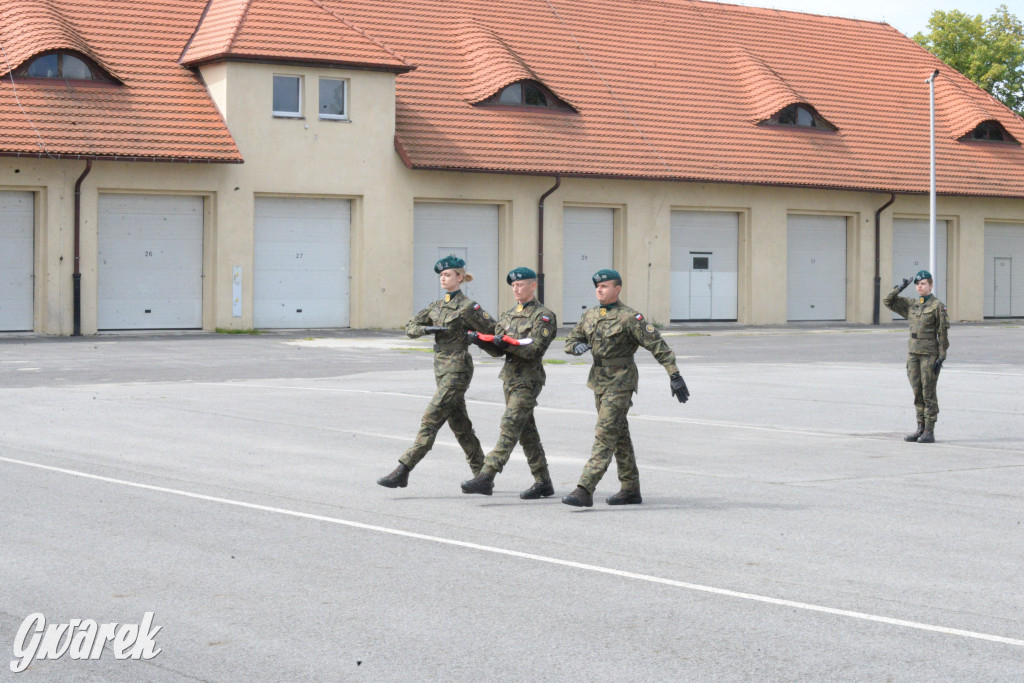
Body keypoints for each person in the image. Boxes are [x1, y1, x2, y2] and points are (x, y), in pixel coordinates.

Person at [561, 269, 689, 507]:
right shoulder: (590, 315)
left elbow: (658, 346)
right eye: (597, 287)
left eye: (605, 286)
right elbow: (571, 340)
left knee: (605, 435)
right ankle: (630, 489)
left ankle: (584, 488)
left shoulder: (630, 318)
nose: (600, 290)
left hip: (620, 382)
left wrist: (675, 376)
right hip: (598, 381)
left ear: (617, 289)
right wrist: (575, 347)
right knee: (619, 435)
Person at [377, 255, 496, 488]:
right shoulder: (437, 305)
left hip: (458, 368)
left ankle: (403, 469)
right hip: (441, 368)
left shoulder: (469, 307)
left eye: (448, 274)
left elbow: (493, 331)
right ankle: (483, 476)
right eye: (441, 275)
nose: (443, 278)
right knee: (460, 426)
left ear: (460, 277)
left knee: (431, 417)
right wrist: (425, 328)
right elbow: (410, 327)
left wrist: (478, 339)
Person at [461, 267, 558, 499]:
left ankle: (487, 476)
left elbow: (535, 349)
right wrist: (479, 341)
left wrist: (508, 345)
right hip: (510, 379)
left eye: (521, 284)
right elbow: (497, 350)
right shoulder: (508, 315)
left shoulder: (544, 316)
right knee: (526, 433)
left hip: (528, 379)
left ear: (533, 286)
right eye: (513, 286)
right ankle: (543, 481)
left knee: (510, 425)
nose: (516, 289)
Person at [883, 269, 950, 443]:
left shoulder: (937, 306)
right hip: (913, 353)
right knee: (917, 391)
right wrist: (899, 288)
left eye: (923, 284)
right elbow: (888, 301)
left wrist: (941, 356)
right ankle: (920, 428)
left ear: (931, 285)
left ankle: (929, 430)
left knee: (928, 392)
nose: (920, 287)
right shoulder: (912, 304)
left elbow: (942, 333)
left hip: (929, 354)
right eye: (917, 284)